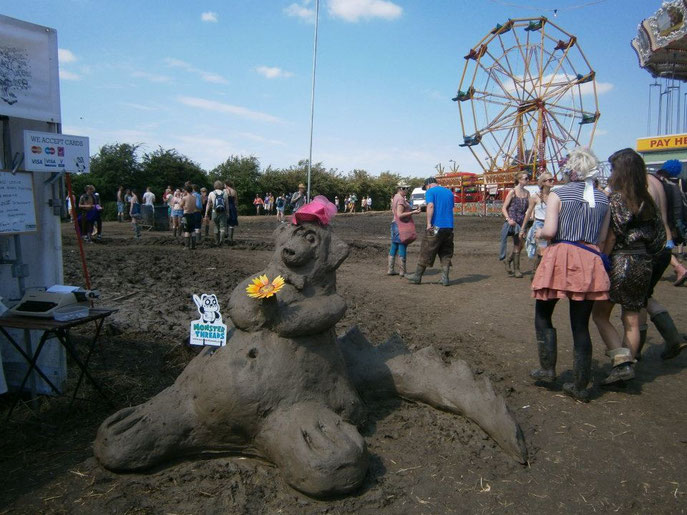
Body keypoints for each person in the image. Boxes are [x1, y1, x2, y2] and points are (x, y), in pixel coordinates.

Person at [530, 147, 610, 401]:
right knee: (580, 325)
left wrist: (539, 233)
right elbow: (603, 238)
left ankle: (547, 369)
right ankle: (581, 385)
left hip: (561, 256)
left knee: (543, 313)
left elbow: (551, 230)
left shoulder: (558, 194)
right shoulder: (603, 198)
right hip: (590, 258)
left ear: (570, 169)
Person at [592, 149, 667, 385]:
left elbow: (612, 236)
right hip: (643, 261)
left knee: (600, 314)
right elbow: (659, 238)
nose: (611, 173)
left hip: (620, 261)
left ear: (621, 172)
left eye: (613, 168)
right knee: (632, 319)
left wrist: (602, 258)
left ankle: (621, 361)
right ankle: (626, 365)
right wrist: (648, 257)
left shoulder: (616, 200)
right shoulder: (649, 201)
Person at [406, 177, 455, 286]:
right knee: (446, 252)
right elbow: (449, 208)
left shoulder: (430, 192)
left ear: (428, 185)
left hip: (436, 226)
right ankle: (445, 278)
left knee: (426, 249)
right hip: (449, 227)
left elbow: (431, 206)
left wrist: (429, 223)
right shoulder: (449, 193)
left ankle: (417, 277)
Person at [654, 159, 687, 285]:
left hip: (664, 219)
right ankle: (679, 262)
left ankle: (680, 268)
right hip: (674, 220)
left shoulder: (662, 184)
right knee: (665, 245)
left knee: (660, 246)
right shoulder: (680, 183)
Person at [523, 172, 554, 277]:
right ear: (543, 182)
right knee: (543, 250)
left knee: (549, 250)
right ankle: (537, 273)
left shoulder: (554, 196)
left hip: (551, 224)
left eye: (552, 179)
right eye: (550, 180)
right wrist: (523, 228)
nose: (552, 181)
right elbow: (528, 213)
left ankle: (539, 273)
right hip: (539, 225)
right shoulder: (535, 197)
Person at [500, 171, 531, 278]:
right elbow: (504, 208)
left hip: (522, 222)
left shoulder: (527, 193)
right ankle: (517, 270)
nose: (527, 180)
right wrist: (508, 219)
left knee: (521, 245)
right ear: (519, 180)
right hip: (513, 222)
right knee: (517, 244)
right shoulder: (512, 192)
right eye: (525, 178)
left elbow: (529, 208)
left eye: (528, 178)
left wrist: (530, 217)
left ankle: (508, 260)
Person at [388, 182, 420, 276]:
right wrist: (413, 212)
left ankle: (390, 269)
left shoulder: (396, 197)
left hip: (395, 224)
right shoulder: (401, 199)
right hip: (400, 225)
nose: (407, 190)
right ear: (401, 188)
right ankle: (402, 271)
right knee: (402, 245)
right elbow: (400, 214)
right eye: (406, 189)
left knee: (394, 246)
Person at [206, 181, 227, 245]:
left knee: (216, 226)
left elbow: (208, 204)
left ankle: (216, 241)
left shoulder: (211, 193)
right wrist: (228, 212)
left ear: (214, 185)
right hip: (223, 212)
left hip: (214, 212)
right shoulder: (225, 193)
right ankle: (221, 241)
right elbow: (227, 204)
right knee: (222, 227)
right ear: (221, 186)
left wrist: (206, 213)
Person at [182, 185, 198, 250]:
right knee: (193, 230)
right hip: (192, 214)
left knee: (187, 231)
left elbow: (180, 205)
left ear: (186, 190)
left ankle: (187, 246)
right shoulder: (194, 198)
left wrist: (183, 206)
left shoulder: (185, 198)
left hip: (186, 215)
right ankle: (193, 246)